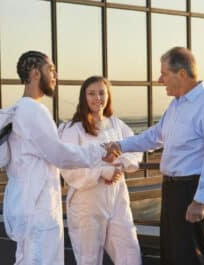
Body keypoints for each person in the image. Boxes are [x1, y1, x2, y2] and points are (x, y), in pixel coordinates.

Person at [106, 47, 204, 265]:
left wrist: (199, 200)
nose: (159, 79)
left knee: (188, 257)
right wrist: (119, 145)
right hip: (172, 189)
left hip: (191, 190)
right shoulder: (176, 105)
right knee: (171, 256)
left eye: (164, 74)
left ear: (181, 74)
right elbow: (154, 137)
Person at [3, 51, 115, 265]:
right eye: (51, 70)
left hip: (29, 205)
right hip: (39, 209)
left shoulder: (19, 109)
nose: (55, 75)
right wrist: (100, 152)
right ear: (36, 74)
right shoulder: (34, 111)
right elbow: (60, 155)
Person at [59, 76, 142, 265]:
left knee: (130, 253)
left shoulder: (116, 124)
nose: (98, 98)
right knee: (89, 259)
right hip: (87, 202)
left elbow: (135, 148)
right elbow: (67, 164)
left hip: (117, 199)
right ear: (83, 97)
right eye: (91, 93)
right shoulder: (73, 129)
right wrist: (101, 171)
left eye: (102, 93)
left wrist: (121, 164)